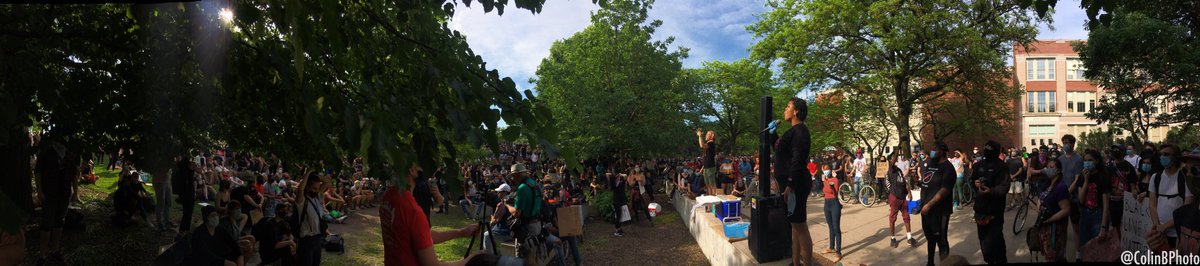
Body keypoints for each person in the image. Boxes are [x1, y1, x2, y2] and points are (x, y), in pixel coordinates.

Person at [381, 163, 482, 266]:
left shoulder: (389, 196)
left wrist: (462, 232)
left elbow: (423, 236)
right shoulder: (413, 212)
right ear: (412, 170)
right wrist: (471, 261)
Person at [775, 98, 813, 266]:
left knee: (800, 226)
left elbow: (797, 159)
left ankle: (807, 263)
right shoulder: (792, 131)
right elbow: (780, 151)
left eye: (788, 106)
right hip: (789, 184)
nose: (785, 109)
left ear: (796, 111)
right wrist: (772, 134)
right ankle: (796, 262)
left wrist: (790, 184)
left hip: (795, 184)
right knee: (794, 225)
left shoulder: (800, 132)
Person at [970, 141, 1010, 264]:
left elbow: (1004, 187)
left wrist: (991, 191)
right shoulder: (978, 165)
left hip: (995, 210)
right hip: (980, 209)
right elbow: (972, 181)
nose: (987, 151)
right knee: (984, 240)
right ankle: (989, 260)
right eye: (986, 148)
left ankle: (1001, 260)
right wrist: (974, 184)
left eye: (990, 149)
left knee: (996, 238)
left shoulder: (1002, 166)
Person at [1149, 144, 1195, 250]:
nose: (1162, 157)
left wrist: (1165, 227)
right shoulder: (1155, 177)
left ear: (1175, 157)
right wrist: (1158, 227)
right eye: (1161, 154)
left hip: (1179, 234)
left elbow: (1187, 207)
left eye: (1166, 154)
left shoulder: (1185, 178)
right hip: (1159, 233)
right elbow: (1152, 205)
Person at [918, 142, 955, 266]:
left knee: (941, 240)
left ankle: (944, 263)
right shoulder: (931, 164)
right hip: (926, 209)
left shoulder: (948, 168)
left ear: (942, 152)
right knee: (930, 238)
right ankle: (930, 263)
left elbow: (944, 190)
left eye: (935, 149)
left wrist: (930, 204)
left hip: (940, 210)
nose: (932, 151)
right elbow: (927, 181)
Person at [1056, 134, 1085, 261]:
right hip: (1061, 199)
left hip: (1073, 199)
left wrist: (1068, 191)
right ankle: (1062, 254)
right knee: (1061, 229)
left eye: (1069, 142)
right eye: (1065, 142)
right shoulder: (1060, 159)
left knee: (1076, 228)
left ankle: (1078, 254)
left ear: (1073, 144)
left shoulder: (1078, 159)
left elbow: (1078, 178)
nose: (1067, 144)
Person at [1035, 159, 1070, 262]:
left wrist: (1049, 220)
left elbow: (1066, 210)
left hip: (1055, 229)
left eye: (1051, 167)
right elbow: (1041, 198)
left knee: (1055, 256)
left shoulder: (1061, 187)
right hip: (1046, 227)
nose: (1048, 169)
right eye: (1047, 167)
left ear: (1058, 170)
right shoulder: (1049, 184)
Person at [510, 162, 544, 259]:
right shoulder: (534, 183)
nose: (512, 178)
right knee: (534, 256)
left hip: (527, 228)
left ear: (518, 174)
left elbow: (516, 214)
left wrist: (507, 205)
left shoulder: (522, 188)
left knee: (523, 257)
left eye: (513, 175)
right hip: (537, 224)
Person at [296, 172, 327, 266]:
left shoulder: (317, 198)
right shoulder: (301, 201)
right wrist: (308, 173)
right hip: (306, 241)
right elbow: (300, 189)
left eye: (318, 188)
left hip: (317, 239)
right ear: (307, 187)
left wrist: (316, 176)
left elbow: (326, 182)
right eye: (314, 188)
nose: (316, 191)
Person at [886, 154, 915, 248]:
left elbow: (905, 182)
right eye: (895, 158)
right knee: (893, 218)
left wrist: (909, 192)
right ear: (891, 160)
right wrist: (899, 143)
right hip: (895, 197)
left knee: (906, 217)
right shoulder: (891, 169)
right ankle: (893, 238)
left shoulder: (899, 171)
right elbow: (893, 159)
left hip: (903, 198)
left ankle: (909, 238)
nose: (897, 159)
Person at [820, 164, 842, 262]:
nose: (826, 171)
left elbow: (835, 192)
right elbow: (823, 191)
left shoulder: (835, 180)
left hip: (834, 204)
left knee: (836, 228)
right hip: (826, 204)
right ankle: (831, 247)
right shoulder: (824, 180)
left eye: (827, 170)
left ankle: (838, 252)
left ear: (831, 170)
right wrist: (824, 180)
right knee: (830, 227)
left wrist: (832, 185)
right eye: (824, 170)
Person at [697, 128, 719, 195]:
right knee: (708, 185)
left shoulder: (711, 143)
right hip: (706, 167)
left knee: (712, 184)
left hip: (710, 167)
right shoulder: (708, 143)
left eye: (707, 134)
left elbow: (702, 145)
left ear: (712, 136)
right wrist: (703, 167)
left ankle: (714, 200)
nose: (706, 135)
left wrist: (700, 136)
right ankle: (710, 198)